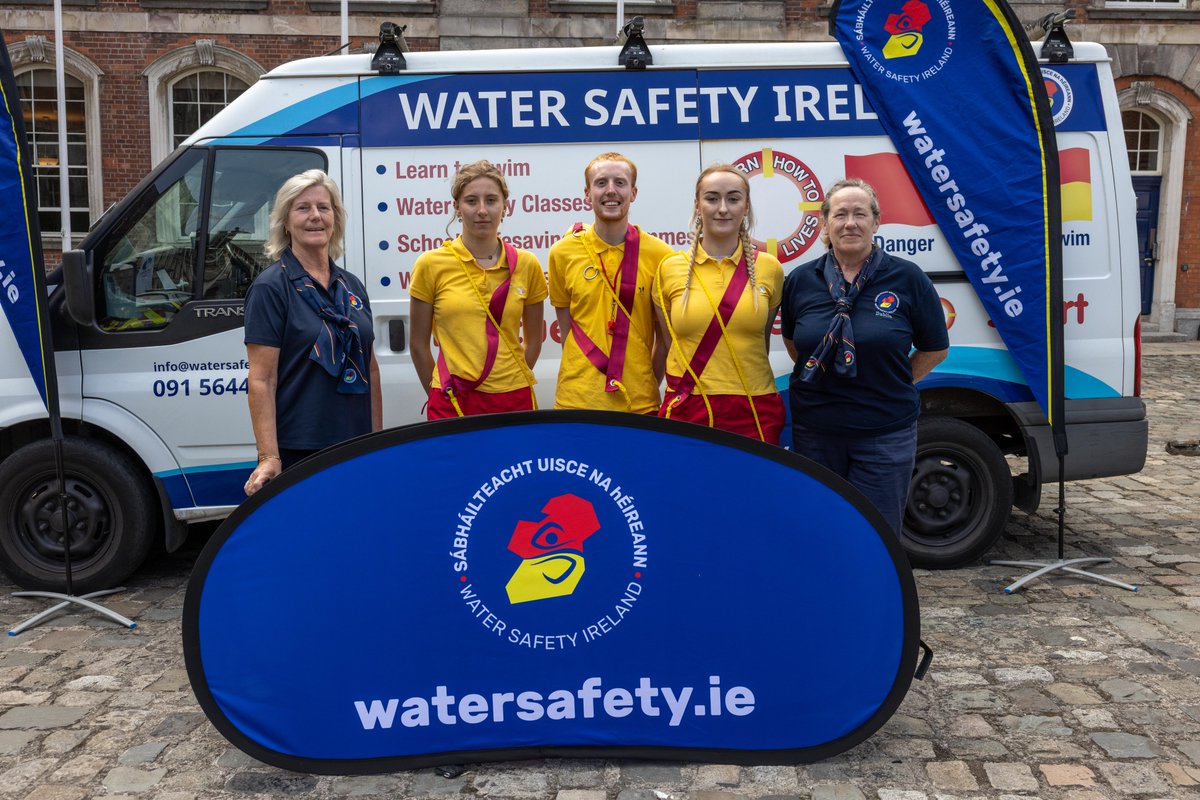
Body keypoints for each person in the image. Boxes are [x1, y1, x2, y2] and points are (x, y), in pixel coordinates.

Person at [782, 178, 949, 533]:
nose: (850, 223)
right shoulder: (800, 280)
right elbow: (795, 343)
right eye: (840, 214)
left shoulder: (907, 277)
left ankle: (875, 591)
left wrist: (894, 379)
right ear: (825, 224)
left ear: (876, 221)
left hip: (884, 434)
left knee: (876, 535)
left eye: (860, 213)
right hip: (816, 433)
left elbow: (935, 347)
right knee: (820, 528)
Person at [243, 169, 382, 496]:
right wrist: (268, 456)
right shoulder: (270, 288)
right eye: (303, 208)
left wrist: (378, 441)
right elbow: (262, 379)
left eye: (324, 207)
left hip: (355, 445)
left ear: (335, 218)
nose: (315, 216)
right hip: (299, 451)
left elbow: (371, 370)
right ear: (285, 222)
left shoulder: (352, 286)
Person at [653, 164, 785, 444]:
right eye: (712, 198)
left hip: (754, 406)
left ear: (746, 207)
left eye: (733, 198)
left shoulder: (770, 269)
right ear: (697, 206)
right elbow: (669, 344)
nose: (722, 208)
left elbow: (759, 342)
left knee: (752, 489)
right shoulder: (669, 268)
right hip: (689, 405)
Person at [409, 160, 546, 419]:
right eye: (472, 201)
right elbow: (418, 344)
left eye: (491, 200)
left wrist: (509, 378)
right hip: (453, 397)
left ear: (505, 207)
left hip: (514, 399)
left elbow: (535, 340)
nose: (482, 210)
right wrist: (440, 389)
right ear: (457, 208)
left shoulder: (526, 264)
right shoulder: (431, 264)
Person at [547, 153, 674, 413]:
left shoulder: (661, 255)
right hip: (576, 402)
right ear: (587, 193)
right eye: (601, 182)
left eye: (620, 182)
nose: (611, 191)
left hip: (638, 404)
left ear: (634, 192)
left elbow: (664, 341)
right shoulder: (562, 252)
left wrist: (646, 383)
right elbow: (566, 329)